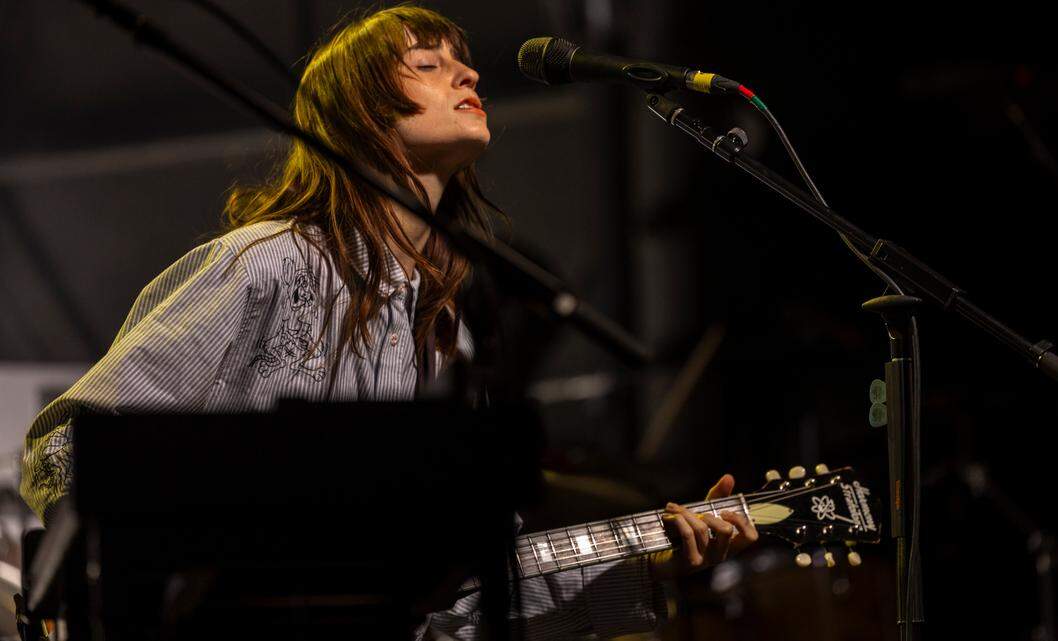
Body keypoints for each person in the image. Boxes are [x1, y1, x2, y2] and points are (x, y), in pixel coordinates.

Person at [19, 5, 759, 639]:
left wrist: (655, 563)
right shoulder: (268, 262)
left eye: (464, 65)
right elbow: (63, 452)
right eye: (430, 64)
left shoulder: (450, 336)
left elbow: (462, 607)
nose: (469, 76)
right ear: (364, 108)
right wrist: (246, 549)